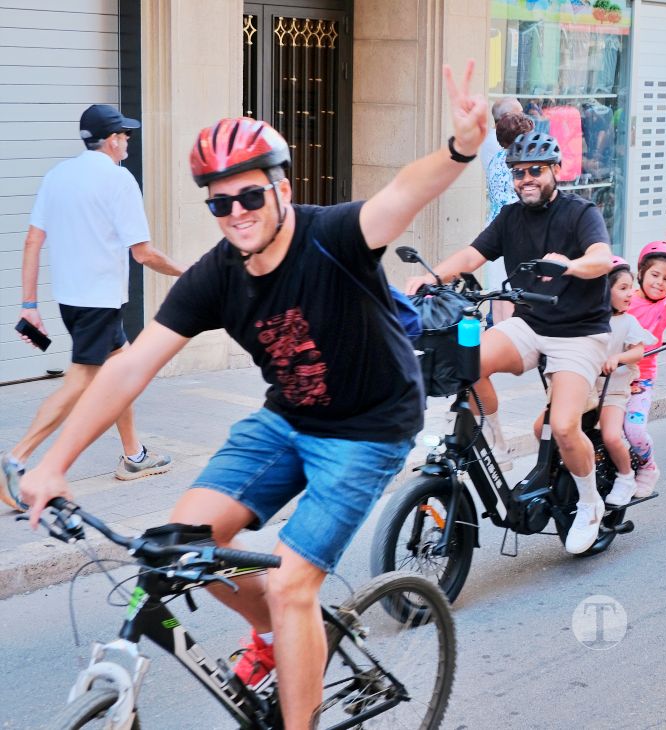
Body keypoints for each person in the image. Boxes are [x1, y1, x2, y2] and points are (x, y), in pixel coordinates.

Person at [20, 63, 489, 728]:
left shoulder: (332, 237)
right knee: (183, 545)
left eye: (249, 196)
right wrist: (54, 465)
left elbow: (402, 194)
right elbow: (129, 368)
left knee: (293, 582)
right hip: (286, 421)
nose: (236, 213)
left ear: (281, 189)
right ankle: (274, 638)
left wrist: (460, 148)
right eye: (220, 203)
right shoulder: (216, 275)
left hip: (369, 431)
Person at [404, 131, 615, 554]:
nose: (526, 179)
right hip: (530, 324)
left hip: (579, 333)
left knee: (564, 426)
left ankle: (590, 503)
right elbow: (472, 256)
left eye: (536, 170)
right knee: (465, 362)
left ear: (556, 171)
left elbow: (602, 259)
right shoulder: (510, 217)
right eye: (519, 173)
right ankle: (497, 444)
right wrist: (431, 277)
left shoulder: (580, 212)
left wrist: (570, 265)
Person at [1, 104, 184, 509]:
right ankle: (16, 459)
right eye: (125, 135)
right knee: (79, 384)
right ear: (112, 140)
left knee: (124, 369)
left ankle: (134, 455)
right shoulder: (119, 180)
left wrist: (29, 304)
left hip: (72, 301)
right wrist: (188, 273)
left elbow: (32, 241)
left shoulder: (57, 175)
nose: (128, 141)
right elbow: (143, 253)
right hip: (98, 303)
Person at [624, 232, 666, 496]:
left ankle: (648, 466)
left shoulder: (664, 310)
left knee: (634, 430)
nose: (659, 283)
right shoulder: (625, 298)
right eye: (654, 275)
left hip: (640, 379)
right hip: (609, 375)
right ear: (641, 273)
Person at [598, 257, 655, 507]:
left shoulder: (628, 322)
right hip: (585, 389)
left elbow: (638, 352)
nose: (630, 293)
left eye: (630, 288)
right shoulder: (589, 320)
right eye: (623, 288)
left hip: (613, 391)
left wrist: (617, 358)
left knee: (611, 436)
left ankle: (626, 476)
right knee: (544, 428)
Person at [484, 112, 534, 324]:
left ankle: (497, 335)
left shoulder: (495, 159)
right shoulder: (519, 164)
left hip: (493, 228)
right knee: (513, 292)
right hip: (516, 231)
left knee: (498, 291)